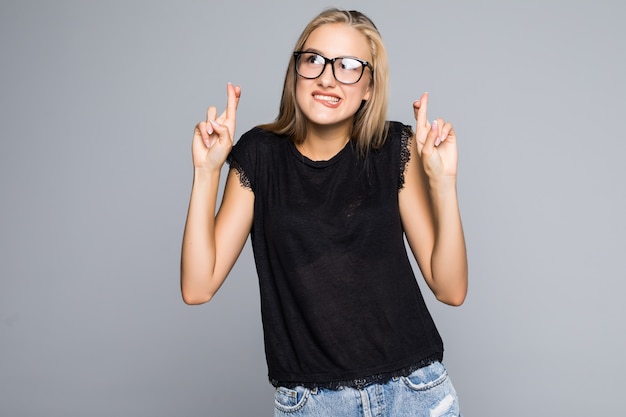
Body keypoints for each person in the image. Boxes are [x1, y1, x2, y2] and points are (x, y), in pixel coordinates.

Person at [181, 8, 468, 417]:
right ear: (295, 71)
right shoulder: (259, 154)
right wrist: (206, 172)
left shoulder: (393, 149)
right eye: (313, 60)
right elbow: (197, 287)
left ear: (370, 85)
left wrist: (444, 181)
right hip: (312, 403)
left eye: (349, 66)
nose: (328, 77)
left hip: (414, 393)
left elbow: (450, 289)